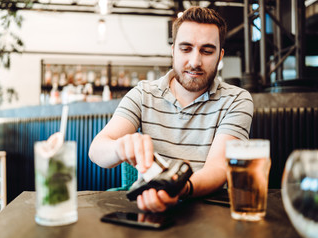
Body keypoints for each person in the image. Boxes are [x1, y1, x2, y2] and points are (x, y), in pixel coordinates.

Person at [89, 6, 253, 212]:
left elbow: (218, 168)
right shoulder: (143, 94)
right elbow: (96, 150)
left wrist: (180, 188)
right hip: (150, 206)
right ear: (172, 50)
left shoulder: (237, 99)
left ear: (220, 56)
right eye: (185, 49)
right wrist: (119, 147)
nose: (195, 62)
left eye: (207, 51)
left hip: (212, 211)